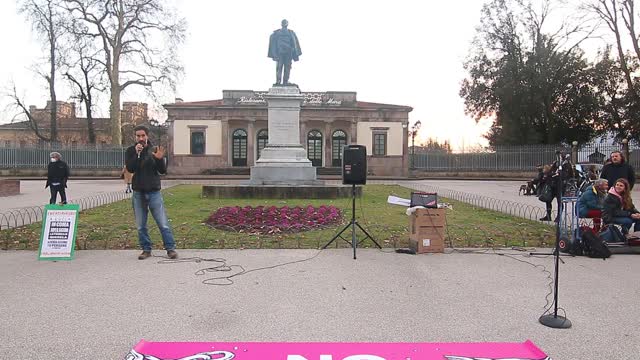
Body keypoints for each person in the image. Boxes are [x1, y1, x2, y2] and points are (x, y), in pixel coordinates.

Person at [125, 125, 177, 260]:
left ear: (147, 136)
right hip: (138, 192)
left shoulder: (155, 150)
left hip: (154, 191)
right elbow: (130, 169)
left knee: (162, 222)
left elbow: (162, 171)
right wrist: (137, 154)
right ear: (135, 137)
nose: (140, 138)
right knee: (141, 225)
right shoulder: (131, 151)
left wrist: (159, 159)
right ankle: (146, 249)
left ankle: (170, 248)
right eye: (138, 136)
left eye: (143, 135)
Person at [268, 19, 302, 86]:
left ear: (287, 24)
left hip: (288, 53)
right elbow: (274, 42)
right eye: (283, 23)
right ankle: (278, 81)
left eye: (286, 23)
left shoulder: (291, 33)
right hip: (280, 53)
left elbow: (294, 43)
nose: (284, 24)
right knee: (279, 67)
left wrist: (294, 51)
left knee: (287, 67)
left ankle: (285, 81)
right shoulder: (277, 33)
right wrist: (274, 53)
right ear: (281, 24)